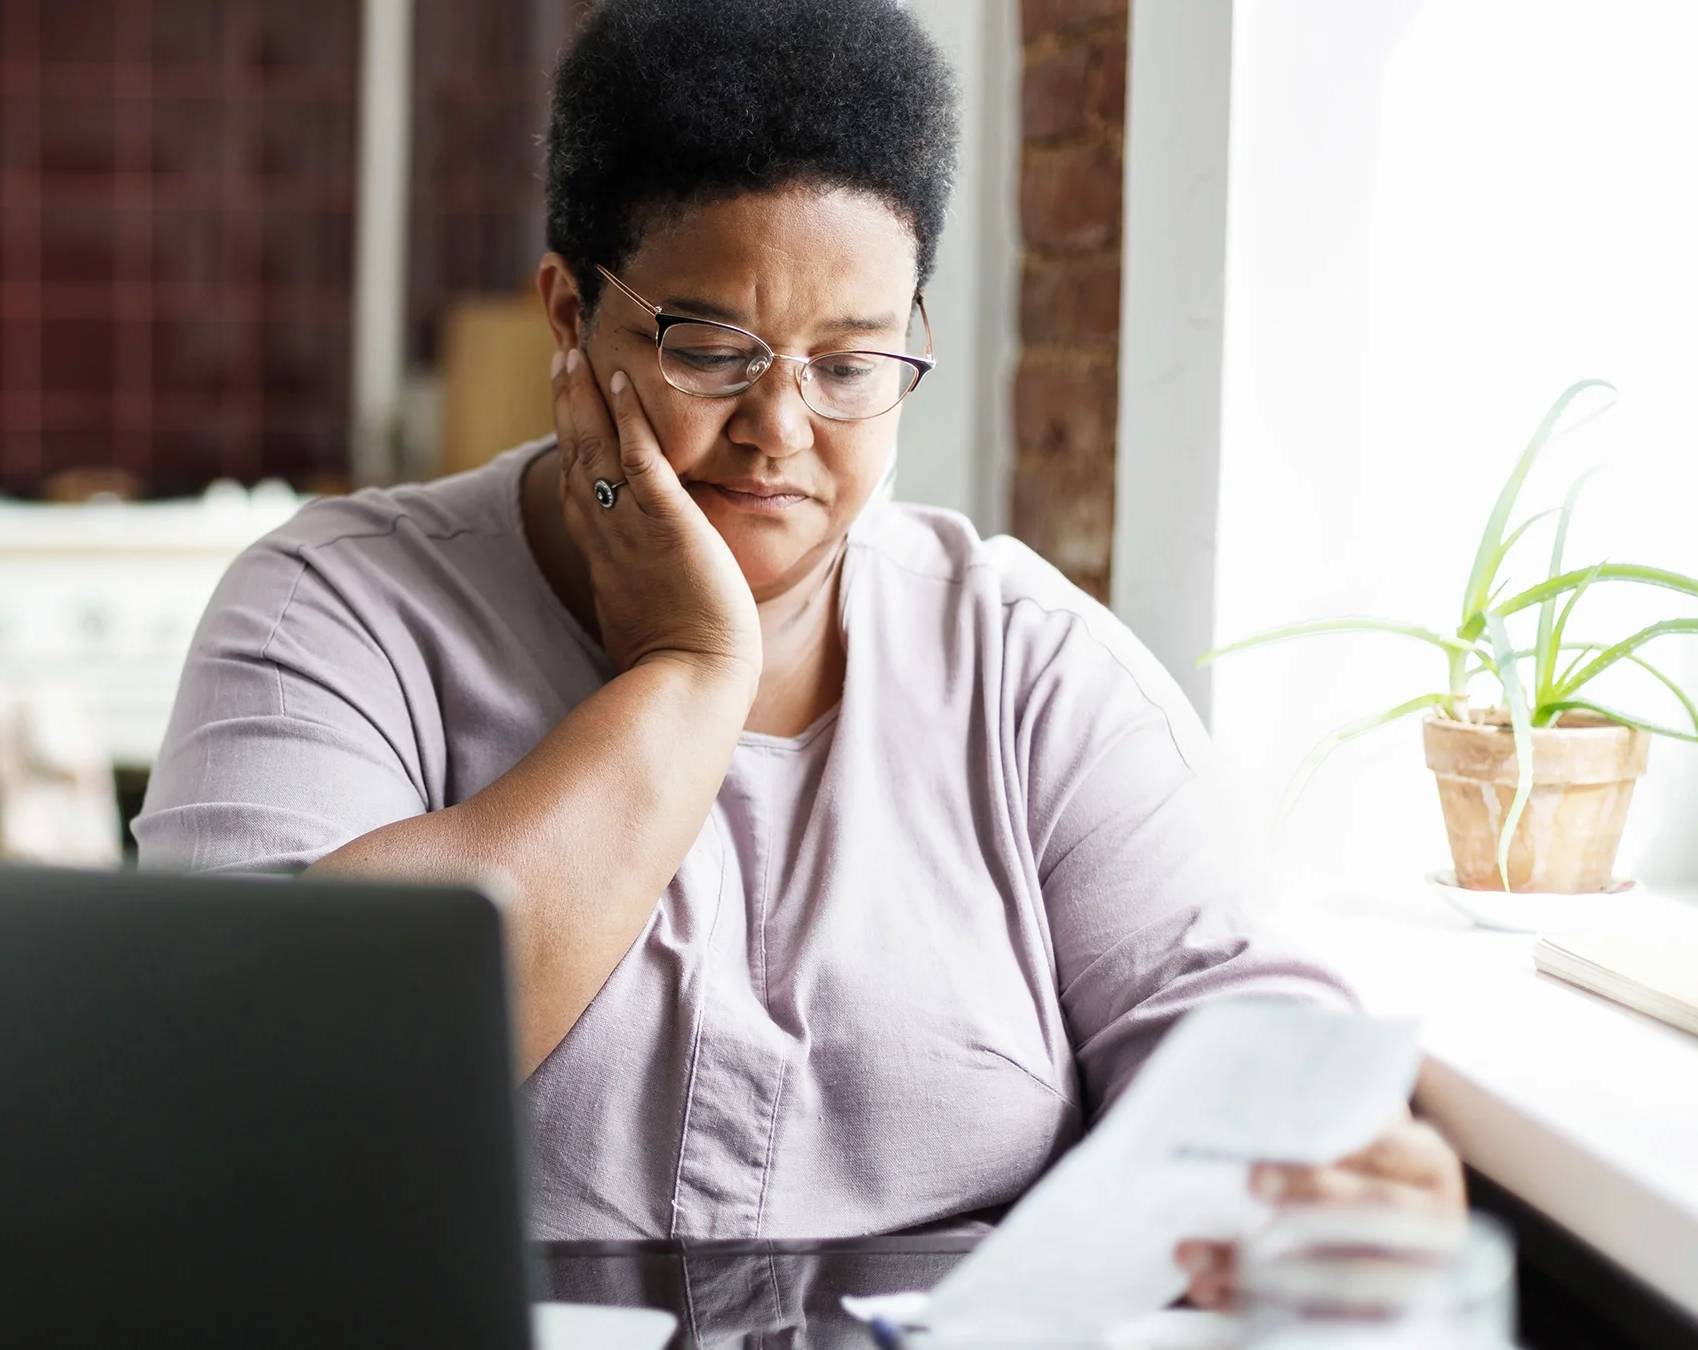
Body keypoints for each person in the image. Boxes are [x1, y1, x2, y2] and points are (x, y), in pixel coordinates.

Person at [134, 0, 1460, 1305]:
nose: (782, 426)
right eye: (712, 348)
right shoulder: (333, 609)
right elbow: (277, 1085)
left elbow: (1229, 1013)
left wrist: (1327, 1149)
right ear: (565, 314)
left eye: (852, 362)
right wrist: (689, 674)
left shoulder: (1023, 665)